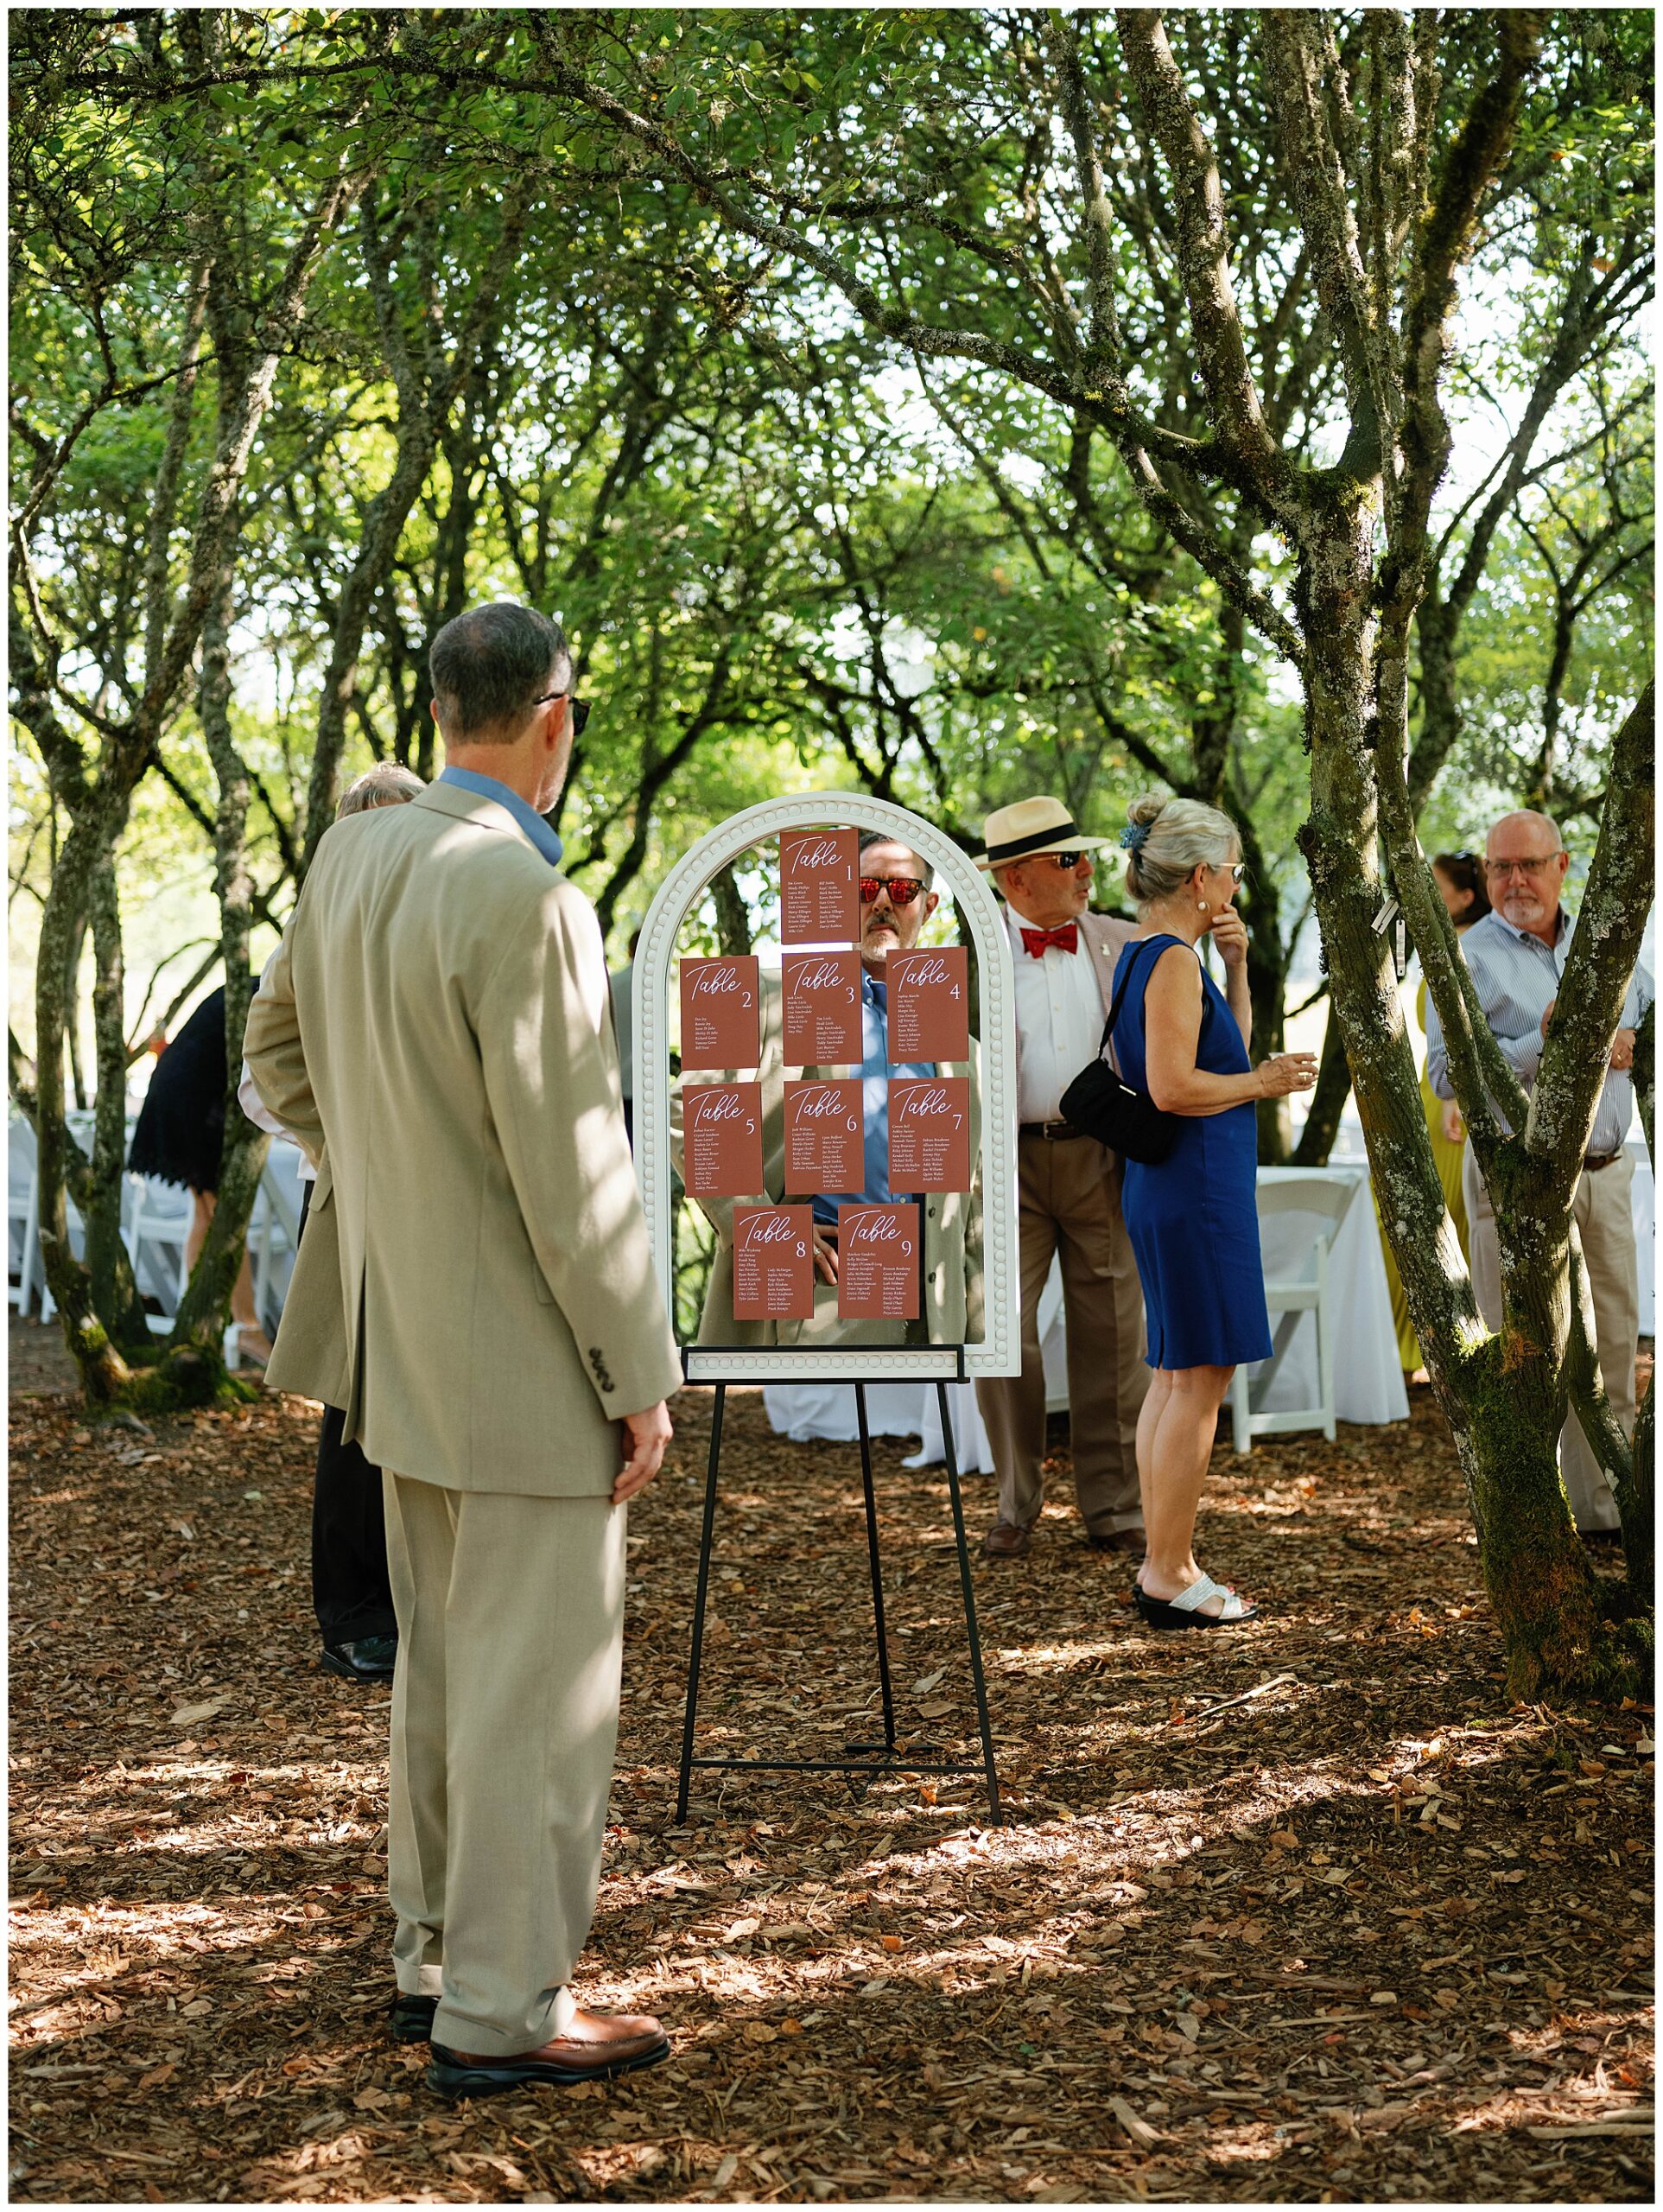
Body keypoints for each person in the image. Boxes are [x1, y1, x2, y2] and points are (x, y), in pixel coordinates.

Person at [246, 601, 682, 2096]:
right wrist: (641, 1378)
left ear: (444, 708)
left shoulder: (350, 853)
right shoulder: (523, 893)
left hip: (396, 1347)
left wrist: (387, 1174)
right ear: (554, 716)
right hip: (515, 1362)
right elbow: (577, 1178)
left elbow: (275, 1058)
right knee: (536, 1691)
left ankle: (433, 1951)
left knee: (443, 1669)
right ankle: (502, 2007)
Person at [238, 761, 426, 1684]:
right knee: (354, 1410)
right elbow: (266, 1054)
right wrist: (342, 1134)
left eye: (407, 822)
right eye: (375, 823)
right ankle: (355, 1613)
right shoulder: (319, 927)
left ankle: (429, 1602)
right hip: (357, 1201)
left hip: (447, 1204)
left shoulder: (445, 916)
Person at [1110, 794, 1317, 1626]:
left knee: (1177, 1375)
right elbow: (1171, 1088)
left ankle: (1168, 1561)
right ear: (1201, 876)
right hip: (1193, 1189)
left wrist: (1236, 968)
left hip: (1183, 1187)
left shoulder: (1156, 955)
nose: (1236, 881)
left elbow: (1213, 1045)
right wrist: (1263, 1083)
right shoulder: (1164, 962)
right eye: (1232, 868)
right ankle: (1166, 1571)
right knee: (1197, 1379)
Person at [1425, 809, 1649, 1539]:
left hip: (1607, 1173)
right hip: (1516, 1183)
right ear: (1483, 875)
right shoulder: (1465, 957)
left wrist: (1627, 1040)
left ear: (1562, 866)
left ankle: (1605, 1521)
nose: (1514, 880)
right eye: (1499, 868)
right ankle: (1529, 1533)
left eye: (1528, 865)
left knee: (1613, 1349)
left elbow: (1642, 1014)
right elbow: (1444, 1074)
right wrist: (1540, 1040)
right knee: (1523, 1357)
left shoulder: (1604, 944)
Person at [672, 833, 981, 1351]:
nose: (882, 901)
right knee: (818, 1432)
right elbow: (687, 1110)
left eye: (902, 890)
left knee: (908, 1433)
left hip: (930, 1304)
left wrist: (975, 1322)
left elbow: (968, 1197)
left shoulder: (959, 1043)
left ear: (926, 907)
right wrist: (760, 1222)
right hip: (820, 1290)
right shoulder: (774, 995)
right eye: (865, 887)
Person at [972, 796, 1146, 1562]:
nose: (1087, 869)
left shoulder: (1125, 942)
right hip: (1003, 1163)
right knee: (999, 1333)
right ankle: (1016, 1501)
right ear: (1014, 879)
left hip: (1101, 1157)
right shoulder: (968, 954)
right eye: (1067, 858)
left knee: (1111, 1333)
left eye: (1085, 855)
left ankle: (1114, 1507)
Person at [1378, 851, 1489, 1376]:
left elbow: (1467, 1040)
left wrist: (1452, 1101)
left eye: (1437, 887)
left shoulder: (1473, 950)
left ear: (1464, 897)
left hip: (1449, 1106)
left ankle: (1437, 1347)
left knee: (1445, 1221)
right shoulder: (1446, 946)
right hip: (1430, 1100)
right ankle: (1412, 1346)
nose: (1428, 895)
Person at [128, 980, 272, 1365]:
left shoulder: (260, 985)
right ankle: (248, 1327)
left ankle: (201, 1321)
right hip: (188, 1103)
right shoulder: (268, 990)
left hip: (182, 1093)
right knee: (224, 1214)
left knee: (207, 1214)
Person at [609, 926, 642, 1147]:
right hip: (644, 1085)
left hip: (615, 1081)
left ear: (629, 951)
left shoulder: (611, 984)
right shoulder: (659, 988)